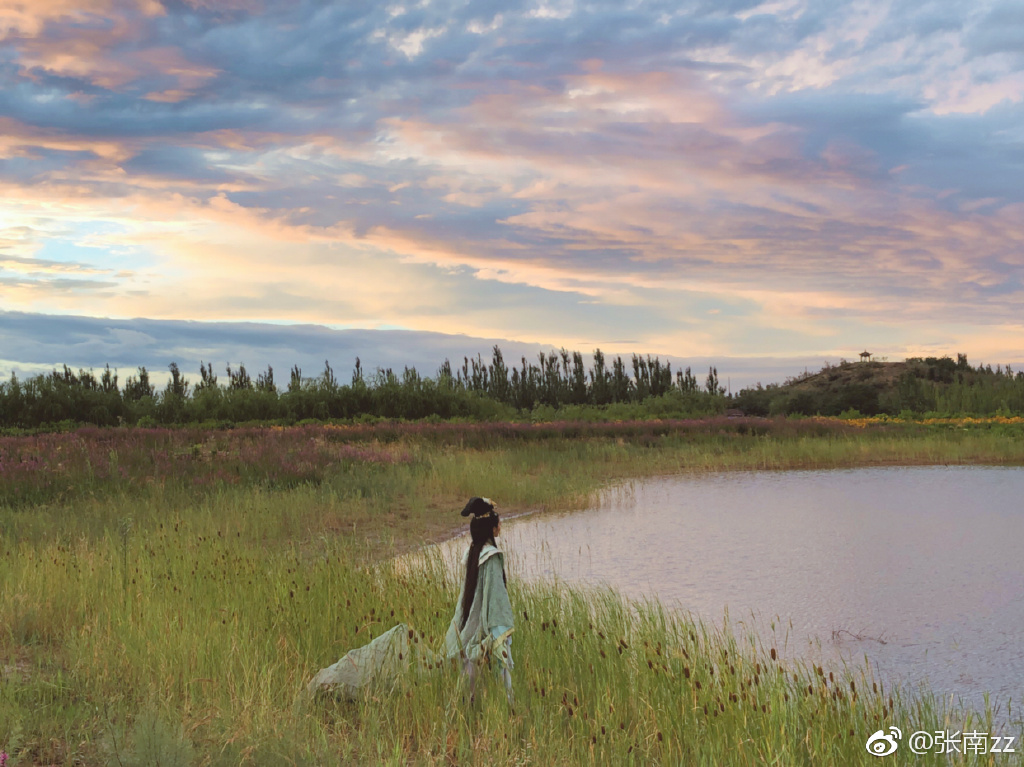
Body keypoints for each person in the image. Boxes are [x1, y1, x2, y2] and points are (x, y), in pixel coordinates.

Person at [444, 496, 515, 705]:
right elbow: (496, 599)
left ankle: (468, 710)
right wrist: (499, 632)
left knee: (470, 677)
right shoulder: (491, 557)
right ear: (491, 528)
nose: (500, 526)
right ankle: (507, 712)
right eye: (498, 523)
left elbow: (467, 596)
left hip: (471, 623)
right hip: (486, 627)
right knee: (502, 677)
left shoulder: (472, 553)